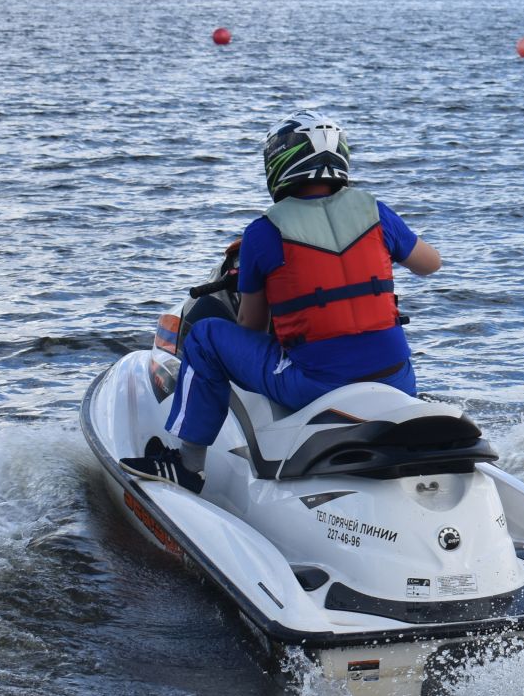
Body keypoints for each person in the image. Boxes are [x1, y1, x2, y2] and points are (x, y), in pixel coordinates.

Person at [122, 112, 441, 493]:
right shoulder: (376, 211)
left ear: (278, 165)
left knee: (206, 337)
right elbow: (430, 264)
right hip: (397, 378)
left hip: (315, 384)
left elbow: (252, 326)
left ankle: (188, 466)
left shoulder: (265, 232)